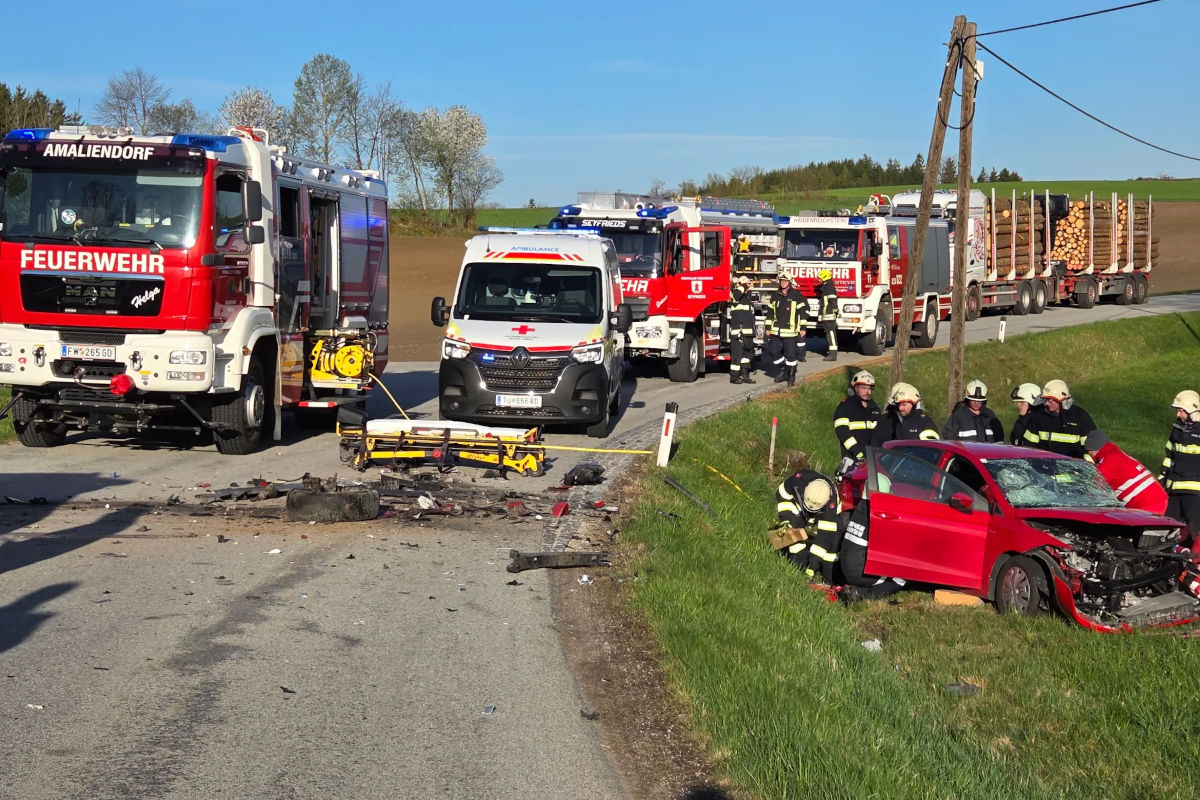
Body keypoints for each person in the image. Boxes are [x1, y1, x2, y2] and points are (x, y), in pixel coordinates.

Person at [771, 469, 841, 582]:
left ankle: (822, 575)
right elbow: (782, 495)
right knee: (791, 533)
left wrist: (813, 567)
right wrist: (785, 520)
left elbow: (824, 539)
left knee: (830, 544)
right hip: (799, 505)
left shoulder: (831, 506)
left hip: (825, 514)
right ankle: (796, 562)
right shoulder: (798, 480)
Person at [1084, 429, 1168, 514]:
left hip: (1148, 503)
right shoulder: (1116, 454)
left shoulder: (1109, 458)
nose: (1089, 455)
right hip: (1155, 499)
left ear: (1092, 449)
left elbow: (1095, 486)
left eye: (1088, 452)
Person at [1161, 390, 1200, 541]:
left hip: (1195, 493)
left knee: (1194, 532)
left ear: (1192, 410)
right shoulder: (1177, 429)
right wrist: (1162, 478)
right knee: (1166, 528)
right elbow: (1169, 456)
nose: (1178, 415)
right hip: (1173, 490)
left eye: (1181, 411)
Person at [1020, 379, 1096, 458]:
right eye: (1046, 399)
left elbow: (1092, 450)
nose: (1046, 403)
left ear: (1062, 400)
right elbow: (1029, 447)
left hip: (1073, 468)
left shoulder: (1080, 417)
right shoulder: (1039, 416)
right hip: (1045, 467)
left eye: (1050, 400)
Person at [833, 370, 881, 472]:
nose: (867, 392)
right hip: (852, 460)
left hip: (873, 461)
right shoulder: (845, 407)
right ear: (855, 388)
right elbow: (842, 432)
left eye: (869, 388)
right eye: (863, 388)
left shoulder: (875, 409)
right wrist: (858, 453)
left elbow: (880, 434)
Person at [766, 273, 808, 386]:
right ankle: (783, 370)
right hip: (776, 331)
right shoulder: (775, 295)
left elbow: (803, 313)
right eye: (781, 281)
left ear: (789, 282)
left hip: (790, 332)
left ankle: (791, 376)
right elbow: (770, 313)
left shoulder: (796, 296)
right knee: (773, 351)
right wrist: (768, 327)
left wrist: (803, 328)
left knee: (790, 355)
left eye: (785, 281)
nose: (783, 283)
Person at [870, 382, 938, 445]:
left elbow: (932, 447)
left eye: (904, 405)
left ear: (914, 404)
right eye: (899, 404)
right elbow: (875, 446)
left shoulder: (924, 422)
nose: (900, 408)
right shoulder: (887, 421)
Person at [728, 276, 756, 385]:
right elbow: (735, 296)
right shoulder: (735, 294)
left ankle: (744, 375)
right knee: (737, 355)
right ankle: (734, 377)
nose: (748, 287)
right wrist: (742, 286)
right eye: (746, 285)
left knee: (747, 355)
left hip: (748, 333)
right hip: (738, 333)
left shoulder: (747, 298)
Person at [1009, 382, 1043, 446]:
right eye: (1017, 402)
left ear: (1032, 404)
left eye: (1022, 402)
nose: (1018, 405)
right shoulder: (1021, 421)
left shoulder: (1039, 423)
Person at [817, 269, 839, 362]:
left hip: (829, 314)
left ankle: (833, 354)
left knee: (831, 334)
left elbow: (833, 301)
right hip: (827, 314)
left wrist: (835, 311)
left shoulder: (829, 287)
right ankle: (831, 352)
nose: (819, 280)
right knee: (829, 333)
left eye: (820, 278)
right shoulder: (826, 287)